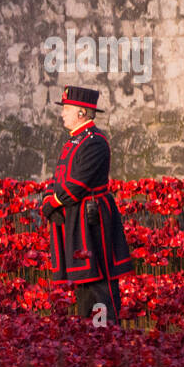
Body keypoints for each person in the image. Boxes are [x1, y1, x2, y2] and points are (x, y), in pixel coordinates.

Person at [40, 86, 133, 324]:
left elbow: (77, 184)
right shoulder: (75, 140)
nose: (62, 114)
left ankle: (104, 331)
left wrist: (53, 203)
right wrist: (50, 198)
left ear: (82, 112)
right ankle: (87, 330)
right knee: (83, 279)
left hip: (91, 219)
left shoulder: (94, 142)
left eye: (67, 109)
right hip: (75, 216)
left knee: (98, 277)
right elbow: (59, 177)